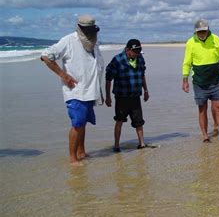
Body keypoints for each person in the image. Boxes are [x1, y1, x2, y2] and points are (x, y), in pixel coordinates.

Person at [41, 15, 104, 166]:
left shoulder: (94, 42)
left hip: (90, 91)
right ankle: (72, 158)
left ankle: (81, 151)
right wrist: (64, 75)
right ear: (80, 28)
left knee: (83, 123)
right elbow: (45, 56)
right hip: (76, 91)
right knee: (77, 124)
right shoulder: (68, 40)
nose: (91, 33)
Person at [182, 19, 219, 143]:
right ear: (196, 32)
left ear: (208, 30)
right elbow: (187, 63)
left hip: (215, 80)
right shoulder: (191, 43)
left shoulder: (216, 39)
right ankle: (205, 136)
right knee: (202, 109)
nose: (202, 34)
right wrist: (185, 80)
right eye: (199, 32)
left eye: (204, 31)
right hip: (199, 81)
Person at [105, 39, 150, 152]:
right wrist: (108, 97)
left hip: (135, 96)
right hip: (121, 97)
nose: (137, 54)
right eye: (135, 52)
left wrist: (146, 90)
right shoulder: (117, 60)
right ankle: (116, 145)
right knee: (119, 120)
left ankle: (142, 143)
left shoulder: (140, 59)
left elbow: (142, 75)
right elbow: (108, 78)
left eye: (139, 51)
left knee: (139, 122)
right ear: (128, 50)